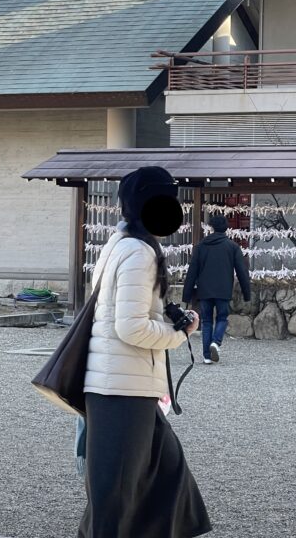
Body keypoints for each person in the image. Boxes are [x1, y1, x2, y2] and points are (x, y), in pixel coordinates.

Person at [80, 166, 211, 538]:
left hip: (124, 386)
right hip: (121, 389)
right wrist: (179, 332)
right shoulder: (139, 252)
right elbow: (131, 327)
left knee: (167, 479)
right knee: (115, 496)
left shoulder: (118, 245)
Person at [183, 214, 252, 365]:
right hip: (223, 289)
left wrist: (186, 295)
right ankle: (216, 342)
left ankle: (207, 356)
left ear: (212, 227)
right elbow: (242, 271)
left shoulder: (201, 246)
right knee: (222, 318)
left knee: (206, 321)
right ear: (226, 228)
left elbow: (192, 271)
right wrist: (247, 293)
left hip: (205, 290)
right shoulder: (232, 247)